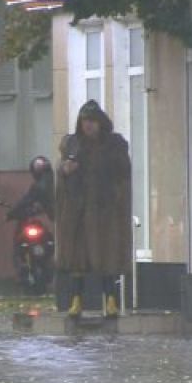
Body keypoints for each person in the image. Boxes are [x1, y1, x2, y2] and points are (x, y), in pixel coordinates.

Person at [55, 99, 132, 318]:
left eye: (92, 121)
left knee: (107, 257)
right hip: (78, 212)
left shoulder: (114, 145)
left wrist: (114, 196)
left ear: (100, 123)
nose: (88, 125)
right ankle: (76, 300)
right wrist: (65, 170)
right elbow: (61, 170)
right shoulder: (72, 144)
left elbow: (123, 173)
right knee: (78, 258)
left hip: (105, 212)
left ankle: (111, 301)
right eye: (84, 121)